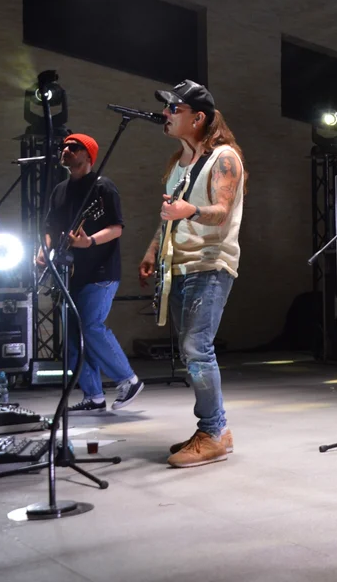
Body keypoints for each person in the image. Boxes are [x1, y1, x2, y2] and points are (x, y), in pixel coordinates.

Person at [139, 81, 246, 469]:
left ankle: (212, 432)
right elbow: (169, 214)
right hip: (179, 266)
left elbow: (221, 211)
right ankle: (218, 429)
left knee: (197, 349)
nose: (165, 115)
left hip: (210, 264)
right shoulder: (177, 164)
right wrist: (153, 249)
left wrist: (191, 211)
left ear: (198, 118)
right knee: (191, 352)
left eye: (174, 108)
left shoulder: (224, 158)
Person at [40, 133, 143, 414]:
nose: (65, 149)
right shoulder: (60, 190)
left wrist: (90, 242)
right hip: (72, 272)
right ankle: (93, 395)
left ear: (88, 155)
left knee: (90, 325)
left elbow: (116, 228)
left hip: (101, 271)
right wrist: (44, 249)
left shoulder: (103, 187)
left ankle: (128, 379)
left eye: (73, 147)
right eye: (64, 146)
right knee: (74, 336)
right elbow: (50, 227)